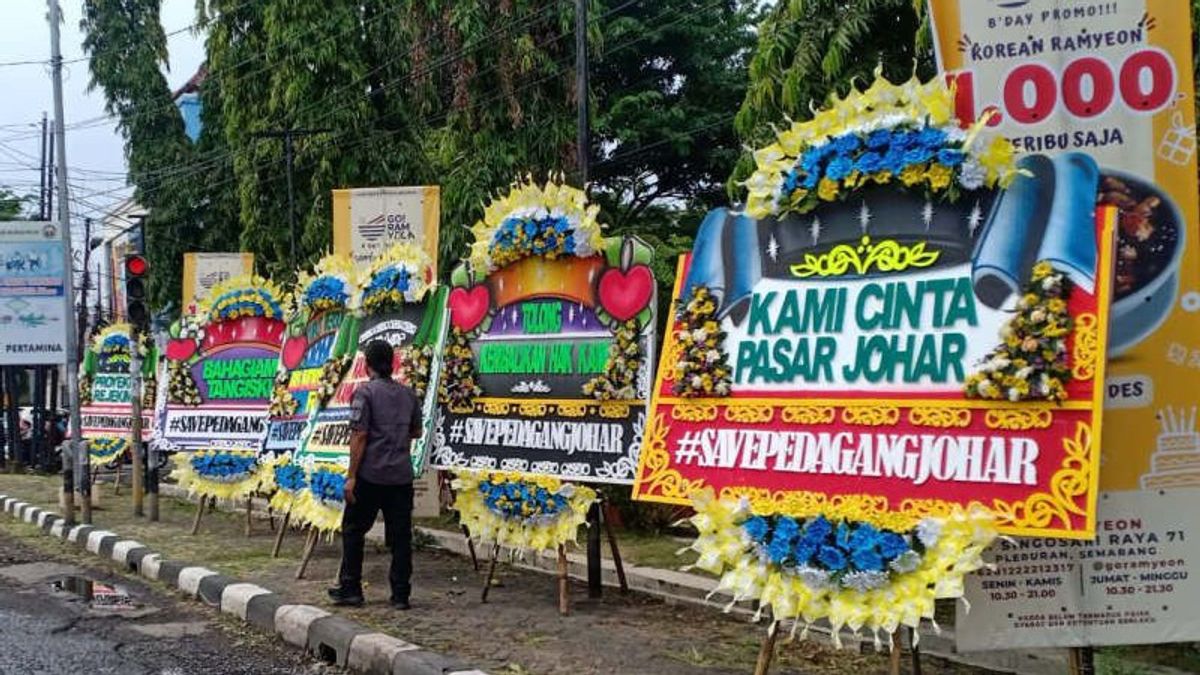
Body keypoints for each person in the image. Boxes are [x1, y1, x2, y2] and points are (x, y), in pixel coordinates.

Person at [327, 340, 422, 609]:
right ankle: (401, 595)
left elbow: (359, 435)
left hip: (370, 475)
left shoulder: (364, 394)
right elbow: (416, 432)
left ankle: (351, 588)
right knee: (401, 537)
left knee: (353, 531)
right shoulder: (408, 395)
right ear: (392, 363)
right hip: (401, 476)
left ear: (366, 364)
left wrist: (352, 476)